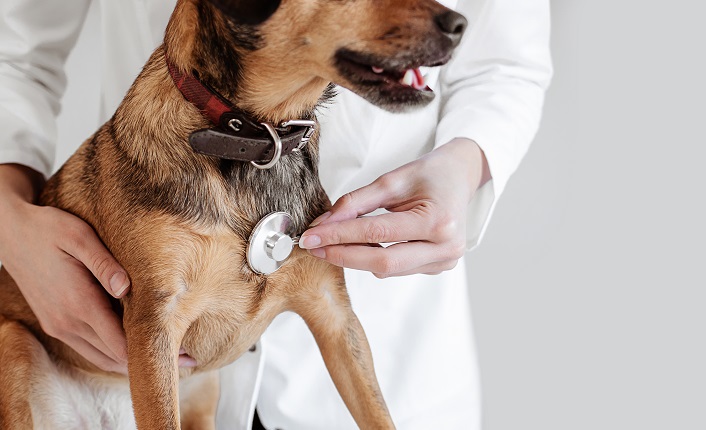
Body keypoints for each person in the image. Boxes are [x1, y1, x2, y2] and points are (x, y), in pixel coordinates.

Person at [0, 0, 551, 428]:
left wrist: (466, 164)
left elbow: (504, 61)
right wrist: (8, 222)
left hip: (398, 346)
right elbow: (14, 50)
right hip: (92, 357)